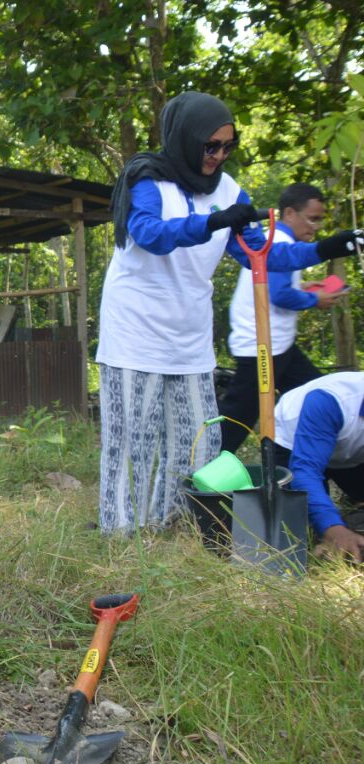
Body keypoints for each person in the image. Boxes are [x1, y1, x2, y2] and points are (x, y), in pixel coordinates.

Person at [96, 91, 364, 533]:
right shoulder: (147, 178)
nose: (218, 156)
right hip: (135, 331)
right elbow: (147, 234)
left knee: (196, 445)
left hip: (190, 337)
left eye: (227, 147)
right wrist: (213, 223)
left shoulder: (228, 189)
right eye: (210, 146)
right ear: (185, 138)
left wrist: (328, 247)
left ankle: (176, 527)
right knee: (133, 444)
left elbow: (262, 255)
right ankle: (122, 537)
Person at [218, 183, 345, 452]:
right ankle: (199, 473)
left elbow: (277, 287)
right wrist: (316, 299)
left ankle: (349, 481)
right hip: (261, 349)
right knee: (237, 421)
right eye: (313, 218)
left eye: (320, 220)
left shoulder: (280, 241)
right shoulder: (278, 242)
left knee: (320, 401)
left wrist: (307, 286)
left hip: (280, 347)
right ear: (289, 213)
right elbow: (278, 295)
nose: (317, 227)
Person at [273, 372, 364, 561]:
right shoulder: (330, 400)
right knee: (298, 534)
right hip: (294, 447)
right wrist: (333, 529)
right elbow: (304, 472)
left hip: (352, 454)